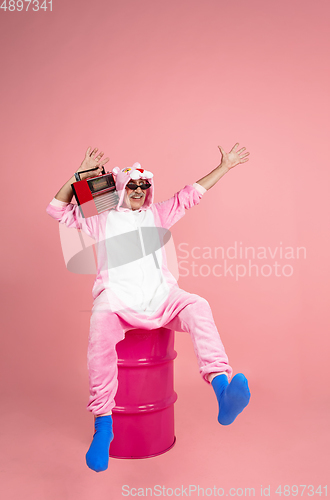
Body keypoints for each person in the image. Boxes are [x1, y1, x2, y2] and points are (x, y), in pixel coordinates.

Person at [46, 143, 251, 473]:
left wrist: (225, 166)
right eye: (133, 185)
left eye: (144, 185)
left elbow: (190, 194)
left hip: (162, 298)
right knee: (99, 329)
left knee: (198, 305)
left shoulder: (159, 214)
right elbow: (57, 209)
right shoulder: (101, 219)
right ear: (120, 189)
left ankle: (222, 389)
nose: (139, 190)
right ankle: (103, 427)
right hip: (116, 301)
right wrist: (78, 176)